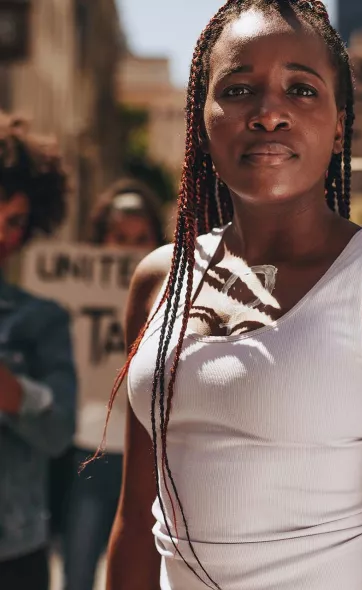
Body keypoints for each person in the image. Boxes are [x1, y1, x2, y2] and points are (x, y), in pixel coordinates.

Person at [107, 2, 362, 589]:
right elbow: (138, 521)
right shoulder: (158, 280)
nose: (268, 113)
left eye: (301, 90)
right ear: (202, 116)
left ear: (340, 122)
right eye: (239, 89)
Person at [58, 178, 165, 590]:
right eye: (119, 237)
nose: (128, 248)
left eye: (140, 239)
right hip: (91, 449)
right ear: (99, 240)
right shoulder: (69, 297)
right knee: (79, 569)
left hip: (149, 453)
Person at [0, 113, 77, 589]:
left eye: (14, 221)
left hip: (13, 551)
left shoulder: (42, 319)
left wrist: (12, 392)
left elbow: (59, 431)